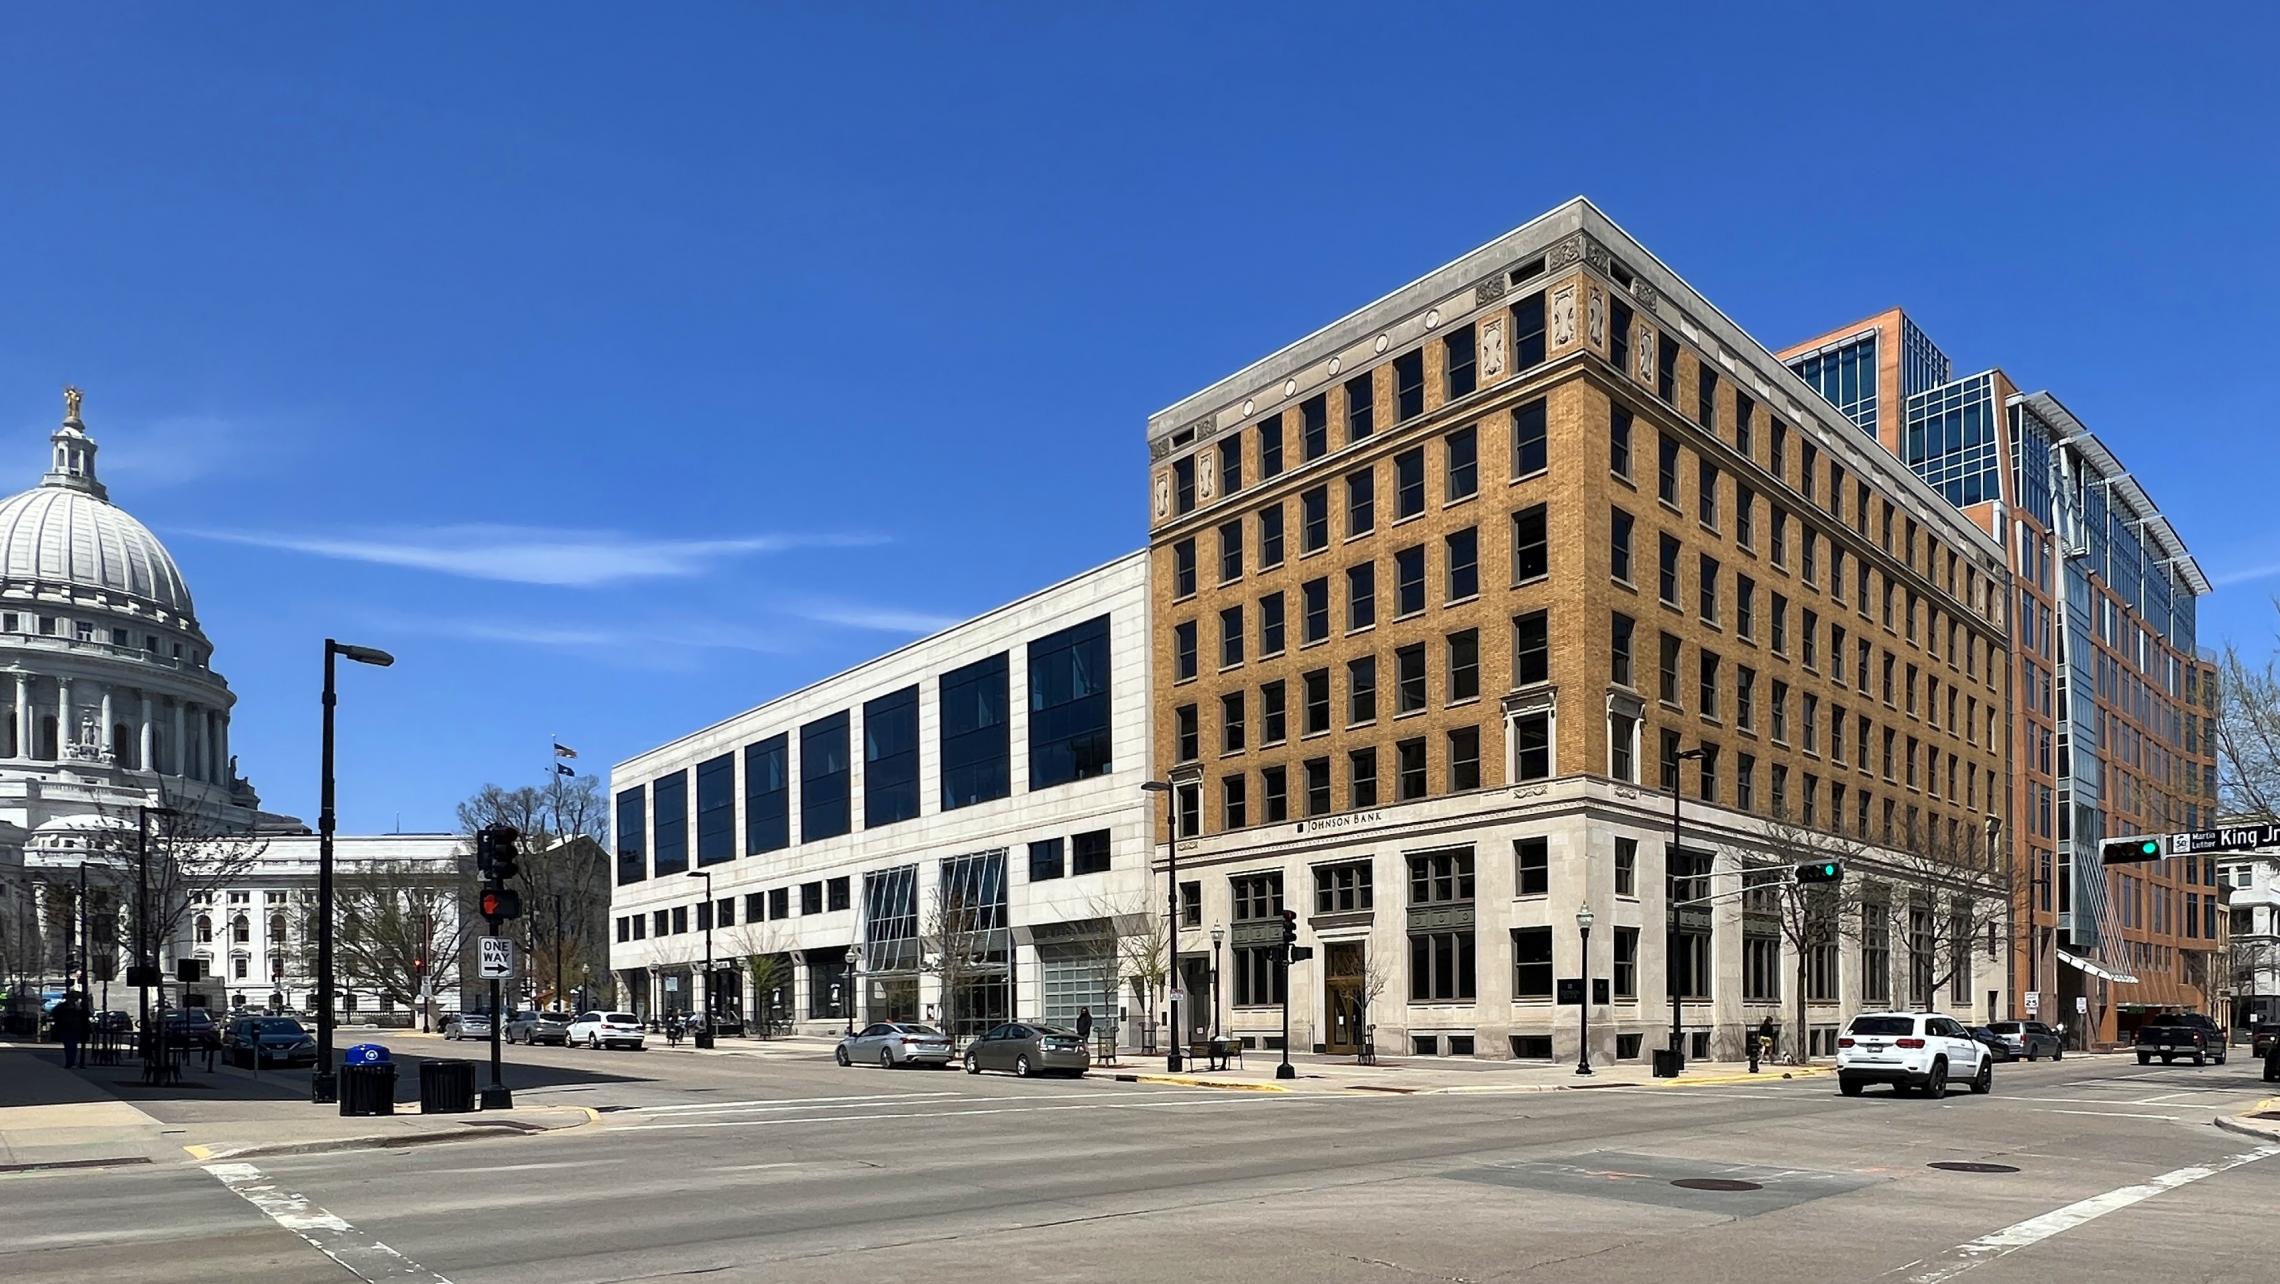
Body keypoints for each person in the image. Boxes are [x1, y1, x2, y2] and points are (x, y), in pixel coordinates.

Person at [54, 994, 89, 1070]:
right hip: (66, 1029)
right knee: (69, 1046)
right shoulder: (62, 1007)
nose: (73, 1000)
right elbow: (55, 1014)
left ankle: (71, 1062)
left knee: (72, 1046)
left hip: (75, 1029)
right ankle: (70, 1062)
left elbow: (86, 1015)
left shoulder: (78, 1007)